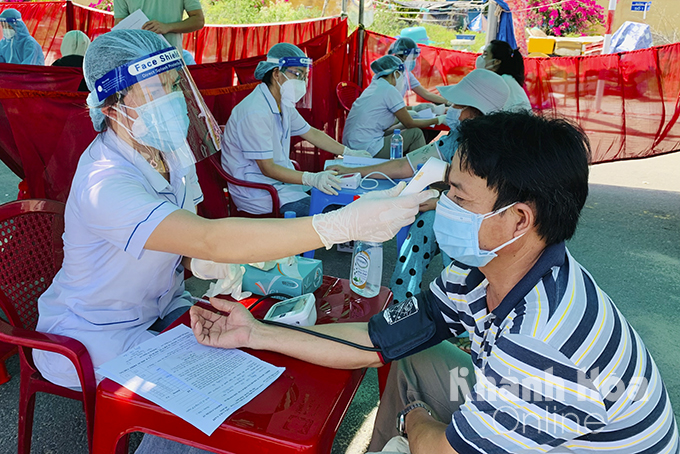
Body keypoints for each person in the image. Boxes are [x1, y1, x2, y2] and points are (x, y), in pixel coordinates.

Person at [32, 30, 434, 454]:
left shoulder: (165, 152)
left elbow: (187, 234)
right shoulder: (106, 180)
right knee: (207, 407)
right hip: (93, 331)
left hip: (159, 308)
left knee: (250, 356)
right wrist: (339, 225)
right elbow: (209, 236)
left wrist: (196, 263)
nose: (171, 100)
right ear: (114, 106)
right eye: (157, 90)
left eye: (174, 86)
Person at [192, 111, 678, 454]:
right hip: (535, 412)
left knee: (423, 434)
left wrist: (416, 420)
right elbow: (379, 338)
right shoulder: (479, 271)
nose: (440, 206)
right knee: (414, 355)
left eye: (457, 197)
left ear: (518, 221)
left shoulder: (543, 340)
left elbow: (446, 451)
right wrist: (256, 333)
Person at [331, 69, 510, 305]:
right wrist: (353, 170)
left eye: (456, 105)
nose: (451, 110)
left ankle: (463, 315)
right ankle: (402, 304)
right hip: (456, 210)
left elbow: (491, 199)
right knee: (426, 224)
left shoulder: (501, 149)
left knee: (450, 226)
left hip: (490, 222)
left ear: (473, 112)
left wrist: (440, 202)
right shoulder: (456, 138)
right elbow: (405, 165)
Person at [221, 42, 372, 217]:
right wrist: (311, 178)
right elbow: (267, 169)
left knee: (343, 202)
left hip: (281, 184)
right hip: (260, 192)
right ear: (277, 73)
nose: (303, 82)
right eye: (298, 74)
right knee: (335, 213)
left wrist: (349, 152)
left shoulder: (282, 103)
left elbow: (311, 133)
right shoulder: (254, 111)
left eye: (305, 76)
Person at [343, 55, 446, 159]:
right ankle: (418, 168)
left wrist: (414, 110)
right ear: (395, 73)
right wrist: (438, 120)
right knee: (415, 133)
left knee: (403, 128)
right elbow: (409, 123)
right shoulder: (389, 90)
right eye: (401, 74)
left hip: (354, 144)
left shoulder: (376, 86)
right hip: (365, 147)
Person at [113, 0, 205, 52]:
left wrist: (168, 27)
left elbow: (198, 20)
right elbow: (120, 28)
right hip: (138, 60)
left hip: (170, 59)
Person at [387, 37, 449, 107]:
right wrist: (413, 109)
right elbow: (391, 106)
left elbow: (425, 94)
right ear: (404, 56)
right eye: (412, 59)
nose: (414, 62)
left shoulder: (406, 74)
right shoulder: (388, 75)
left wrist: (448, 102)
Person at [476, 39, 532, 112]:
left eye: (485, 54)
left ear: (496, 61)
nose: (481, 58)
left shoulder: (502, 81)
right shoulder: (505, 78)